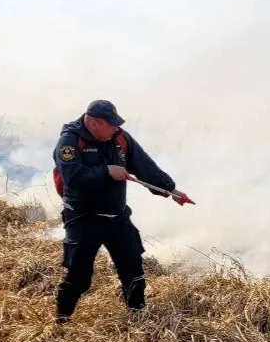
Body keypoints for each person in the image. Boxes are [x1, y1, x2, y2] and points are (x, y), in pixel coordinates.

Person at [52, 99, 192, 323]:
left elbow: (144, 165)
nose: (116, 128)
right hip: (83, 217)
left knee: (133, 270)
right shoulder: (69, 141)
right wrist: (106, 171)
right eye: (111, 124)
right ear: (95, 123)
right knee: (79, 277)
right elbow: (73, 177)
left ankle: (137, 318)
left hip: (117, 216)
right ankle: (61, 321)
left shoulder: (120, 138)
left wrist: (171, 190)